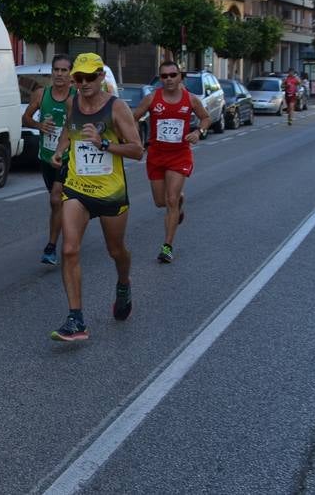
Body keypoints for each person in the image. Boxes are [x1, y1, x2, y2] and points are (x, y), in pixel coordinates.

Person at [47, 53, 145, 343]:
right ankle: (76, 319)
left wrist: (104, 144)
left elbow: (138, 150)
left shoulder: (117, 108)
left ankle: (124, 282)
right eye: (79, 78)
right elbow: (69, 128)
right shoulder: (72, 102)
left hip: (110, 191)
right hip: (77, 186)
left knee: (116, 251)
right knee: (69, 249)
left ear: (102, 76)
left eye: (90, 77)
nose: (84, 83)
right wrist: (60, 148)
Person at [133, 59, 209, 264]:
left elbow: (205, 118)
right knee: (161, 202)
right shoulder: (151, 99)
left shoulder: (191, 99)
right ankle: (179, 203)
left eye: (172, 75)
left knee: (170, 200)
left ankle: (167, 246)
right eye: (164, 76)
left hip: (179, 154)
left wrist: (198, 131)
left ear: (180, 77)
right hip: (156, 155)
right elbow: (133, 117)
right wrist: (135, 140)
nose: (168, 79)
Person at [22, 53, 74, 265]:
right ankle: (72, 220)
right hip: (46, 156)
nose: (60, 74)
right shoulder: (41, 94)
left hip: (68, 158)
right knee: (58, 204)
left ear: (71, 74)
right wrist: (38, 125)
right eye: (56, 70)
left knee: (55, 198)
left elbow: (75, 128)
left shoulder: (74, 97)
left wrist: (63, 147)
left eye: (64, 70)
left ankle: (51, 246)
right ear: (52, 72)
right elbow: (25, 117)